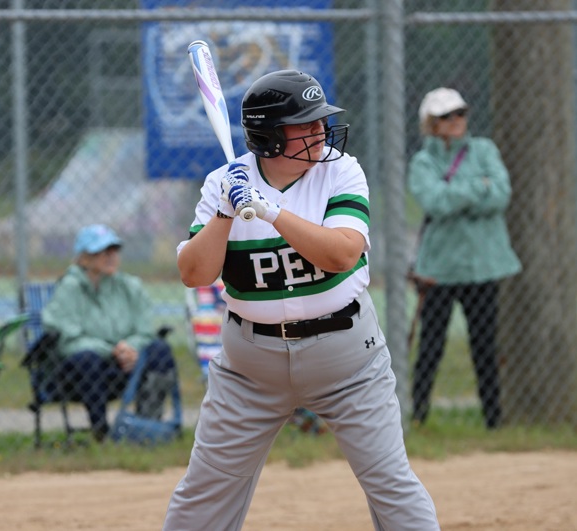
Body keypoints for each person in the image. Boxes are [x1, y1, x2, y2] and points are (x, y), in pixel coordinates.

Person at [163, 70, 440, 530]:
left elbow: (341, 253)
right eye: (305, 125)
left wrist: (271, 210)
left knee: (390, 482)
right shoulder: (223, 184)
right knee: (204, 493)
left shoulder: (340, 169)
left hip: (348, 362)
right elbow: (195, 273)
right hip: (249, 369)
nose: (320, 132)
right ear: (270, 136)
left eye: (320, 121)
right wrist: (223, 214)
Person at [408, 87, 521, 430]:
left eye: (460, 113)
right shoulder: (422, 162)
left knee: (484, 347)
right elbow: (435, 202)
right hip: (439, 269)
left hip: (482, 267)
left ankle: (493, 422)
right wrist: (478, 187)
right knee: (431, 347)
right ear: (431, 123)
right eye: (446, 116)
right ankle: (419, 417)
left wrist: (456, 191)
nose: (456, 121)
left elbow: (500, 195)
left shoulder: (483, 149)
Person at [41, 224, 177, 442]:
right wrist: (112, 350)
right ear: (84, 258)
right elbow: (67, 341)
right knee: (87, 359)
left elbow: (145, 330)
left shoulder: (130, 287)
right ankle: (100, 432)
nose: (111, 256)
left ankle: (147, 429)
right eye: (102, 251)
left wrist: (130, 348)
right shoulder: (68, 289)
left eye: (114, 250)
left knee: (159, 349)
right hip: (79, 374)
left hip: (126, 365)